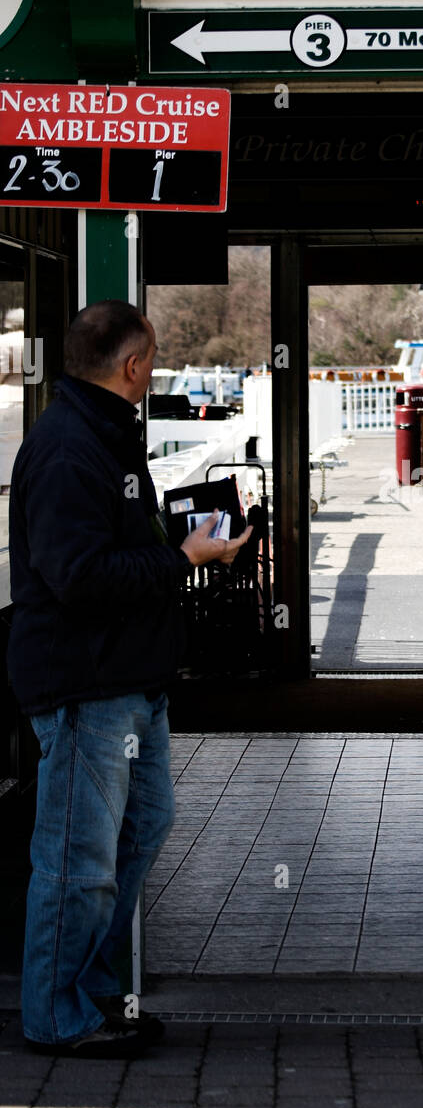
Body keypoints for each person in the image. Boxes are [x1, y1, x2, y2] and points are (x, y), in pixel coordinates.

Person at [7, 299, 252, 1057]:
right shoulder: (69, 449)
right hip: (87, 686)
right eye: (153, 359)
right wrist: (183, 558)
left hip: (128, 680)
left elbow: (105, 552)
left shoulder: (100, 435)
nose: (154, 373)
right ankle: (57, 1013)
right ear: (135, 365)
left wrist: (179, 543)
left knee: (142, 829)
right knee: (78, 858)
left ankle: (90, 990)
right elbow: (78, 575)